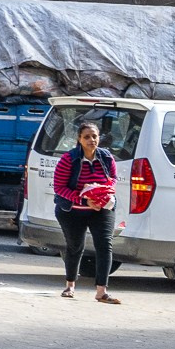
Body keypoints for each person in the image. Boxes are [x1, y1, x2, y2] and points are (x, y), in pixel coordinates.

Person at [53, 119, 121, 304]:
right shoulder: (69, 159)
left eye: (95, 136)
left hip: (101, 209)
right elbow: (59, 188)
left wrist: (104, 191)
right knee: (75, 246)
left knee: (105, 245)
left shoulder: (106, 157)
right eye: (87, 137)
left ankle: (101, 291)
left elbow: (113, 178)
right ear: (79, 139)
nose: (92, 140)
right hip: (72, 211)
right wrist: (84, 200)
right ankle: (70, 285)